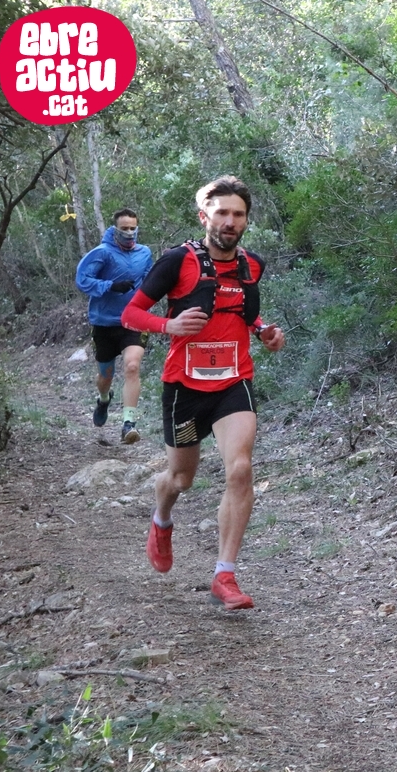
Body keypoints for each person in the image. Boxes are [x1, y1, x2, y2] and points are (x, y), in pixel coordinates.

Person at [121, 176, 285, 610]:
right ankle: (161, 520)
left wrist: (264, 331)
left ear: (246, 220)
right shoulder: (177, 262)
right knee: (181, 479)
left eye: (238, 214)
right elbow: (130, 314)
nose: (230, 222)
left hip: (234, 382)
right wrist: (168, 325)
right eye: (222, 213)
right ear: (204, 216)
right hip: (185, 387)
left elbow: (242, 313)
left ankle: (224, 575)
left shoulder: (252, 265)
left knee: (240, 470)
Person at [74, 208, 153, 444]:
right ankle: (104, 398)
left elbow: (150, 281)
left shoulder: (144, 253)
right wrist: (110, 286)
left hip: (135, 320)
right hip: (104, 322)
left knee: (132, 366)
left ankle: (129, 423)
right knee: (105, 375)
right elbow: (82, 280)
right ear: (115, 229)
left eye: (133, 228)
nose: (129, 233)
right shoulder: (102, 253)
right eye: (124, 228)